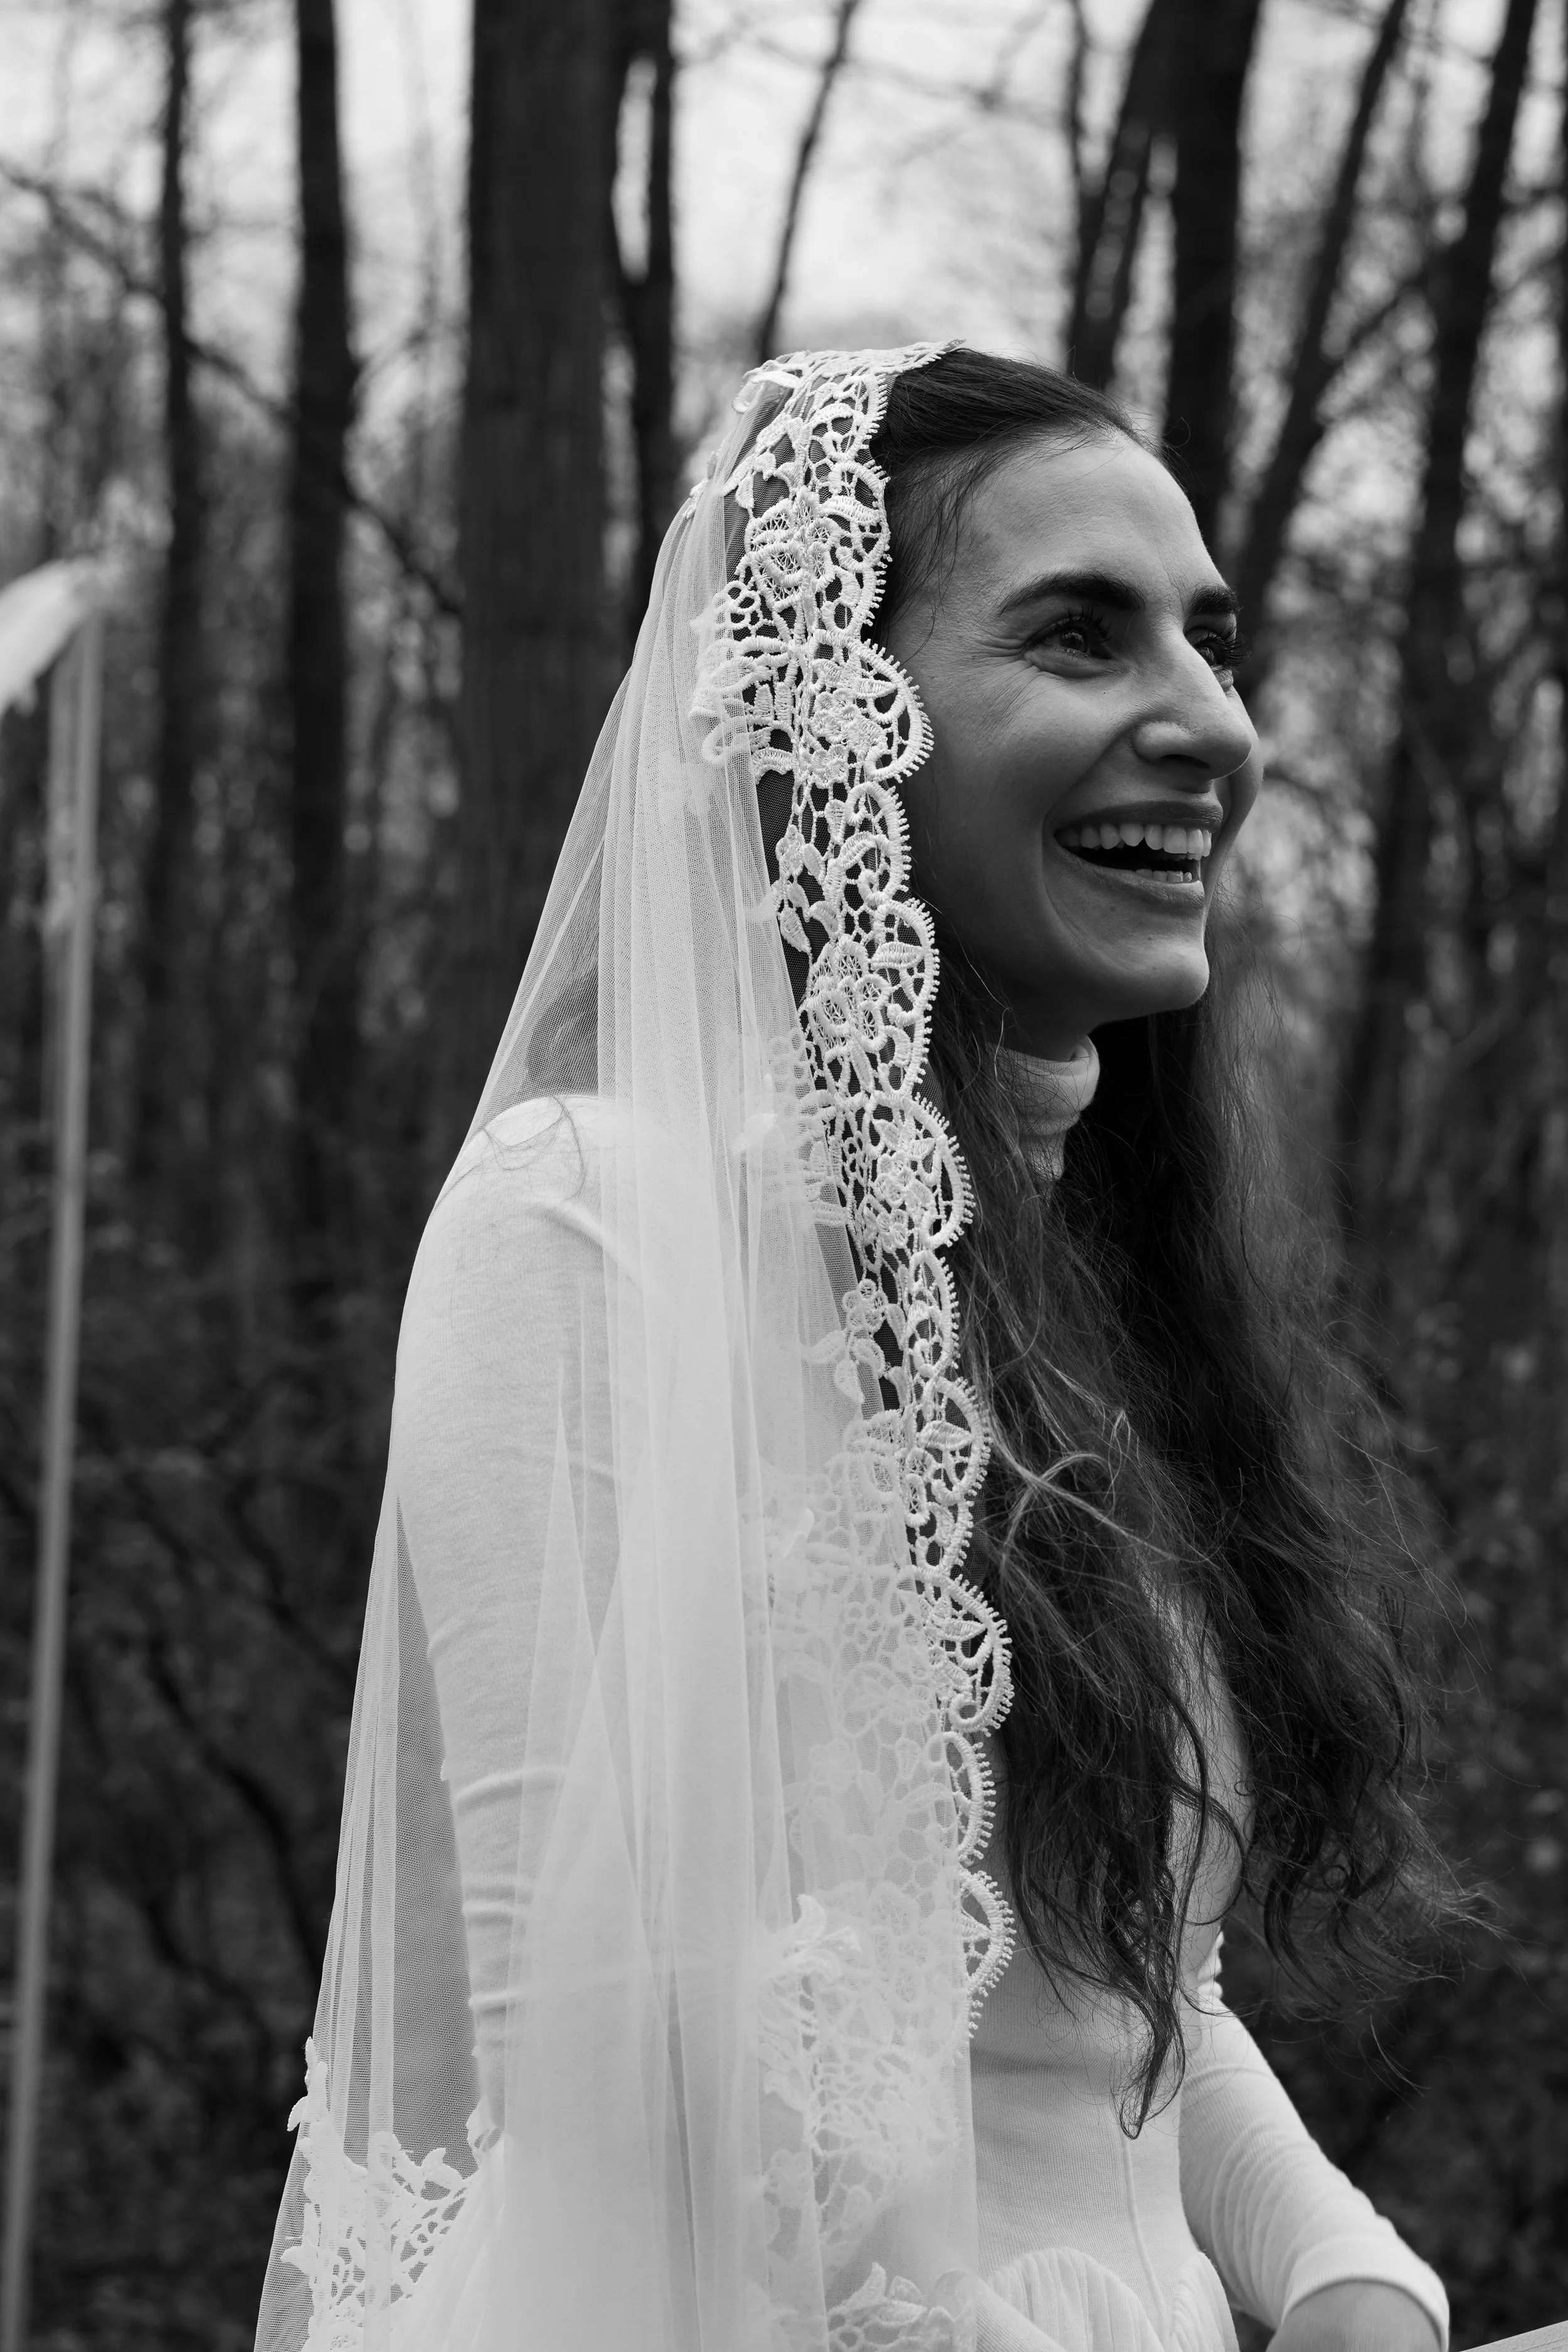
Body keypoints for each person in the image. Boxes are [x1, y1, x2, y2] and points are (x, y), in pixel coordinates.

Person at [254, 345, 1451, 2352]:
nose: (1210, 726)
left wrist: (1351, 2281)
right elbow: (611, 2095)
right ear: (827, 722)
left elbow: (1116, 2015)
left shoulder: (1089, 1308)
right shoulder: (588, 1213)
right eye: (1078, 634)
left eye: (1212, 644)